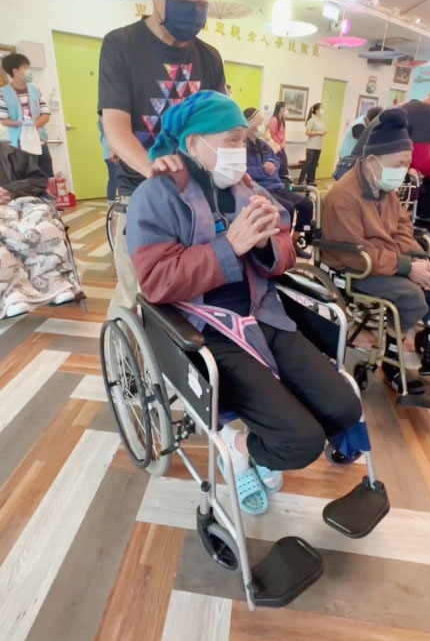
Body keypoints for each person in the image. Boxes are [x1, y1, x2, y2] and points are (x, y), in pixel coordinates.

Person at [127, 91, 362, 515]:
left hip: (261, 313)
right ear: (194, 143)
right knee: (300, 442)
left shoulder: (245, 187)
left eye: (244, 139)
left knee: (345, 406)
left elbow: (285, 248)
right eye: (232, 140)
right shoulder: (156, 196)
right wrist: (229, 247)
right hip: (203, 329)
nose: (243, 149)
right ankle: (234, 446)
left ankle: (266, 430)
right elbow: (157, 282)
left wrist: (268, 243)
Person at [98, 0, 226, 314]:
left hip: (194, 200)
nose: (194, 3)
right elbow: (115, 128)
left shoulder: (210, 58)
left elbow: (218, 127)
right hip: (140, 195)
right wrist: (153, 167)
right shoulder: (121, 45)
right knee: (138, 299)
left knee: (189, 299)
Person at [321, 108, 430, 394]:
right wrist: (407, 268)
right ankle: (391, 363)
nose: (403, 171)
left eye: (406, 164)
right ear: (372, 162)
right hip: (356, 267)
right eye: (399, 164)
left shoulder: (384, 188)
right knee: (410, 295)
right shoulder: (342, 197)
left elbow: (403, 227)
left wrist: (418, 260)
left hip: (387, 261)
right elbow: (354, 252)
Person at [0, 142, 80, 318]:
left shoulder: (12, 154)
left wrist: (10, 191)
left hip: (21, 203)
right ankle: (12, 292)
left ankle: (54, 281)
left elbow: (39, 180)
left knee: (45, 224)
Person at [244, 107, 313, 253]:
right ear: (250, 124)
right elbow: (245, 171)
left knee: (307, 204)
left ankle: (294, 242)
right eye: (259, 122)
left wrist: (272, 163)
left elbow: (275, 159)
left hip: (278, 185)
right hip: (262, 188)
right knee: (288, 208)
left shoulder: (263, 144)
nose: (262, 126)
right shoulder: (244, 146)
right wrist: (264, 170)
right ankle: (283, 247)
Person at [352, 88, 430, 178]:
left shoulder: (408, 107)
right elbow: (421, 161)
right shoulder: (426, 112)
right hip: (367, 174)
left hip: (356, 168)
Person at [0, 53, 54, 179]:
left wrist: (32, 127)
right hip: (19, 145)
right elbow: (3, 120)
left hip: (40, 142)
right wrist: (21, 125)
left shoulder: (35, 90)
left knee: (46, 177)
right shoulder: (3, 93)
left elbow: (45, 114)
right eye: (25, 67)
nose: (29, 71)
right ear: (15, 71)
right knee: (25, 180)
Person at [333, 106, 383, 180]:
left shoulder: (366, 119)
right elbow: (367, 142)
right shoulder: (359, 125)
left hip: (355, 158)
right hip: (348, 158)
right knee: (346, 180)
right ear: (369, 120)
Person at [299, 102, 327, 184]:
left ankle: (311, 181)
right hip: (311, 146)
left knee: (314, 164)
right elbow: (307, 132)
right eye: (321, 108)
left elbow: (323, 131)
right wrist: (318, 133)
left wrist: (324, 132)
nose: (323, 110)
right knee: (308, 163)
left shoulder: (320, 121)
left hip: (318, 146)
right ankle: (301, 180)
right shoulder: (312, 120)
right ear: (317, 110)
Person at [98, 114, 117, 203]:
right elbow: (107, 132)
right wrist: (112, 150)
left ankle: (113, 200)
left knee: (115, 177)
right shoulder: (105, 115)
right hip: (112, 152)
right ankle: (111, 201)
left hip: (111, 151)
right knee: (114, 177)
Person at [268, 101, 288, 176]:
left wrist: (284, 142)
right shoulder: (274, 120)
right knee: (279, 164)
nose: (286, 110)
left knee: (284, 164)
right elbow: (273, 134)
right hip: (276, 147)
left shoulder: (282, 120)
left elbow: (283, 133)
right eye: (285, 108)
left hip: (281, 146)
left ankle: (284, 180)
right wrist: (280, 144)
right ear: (281, 109)